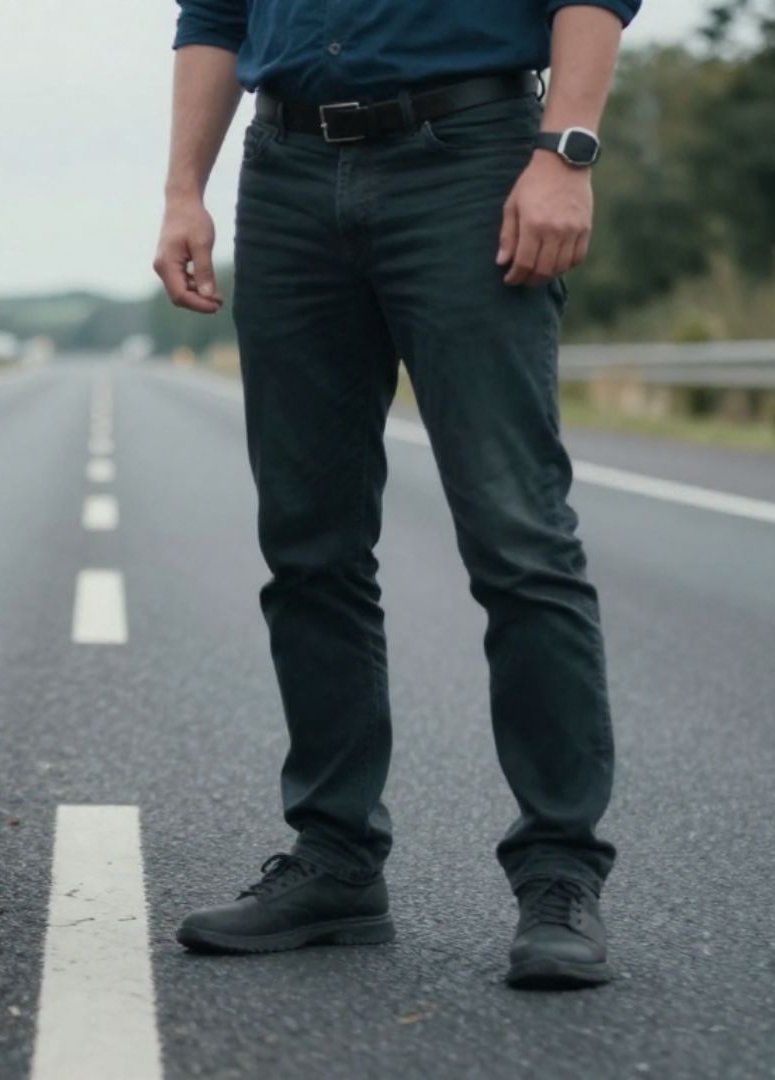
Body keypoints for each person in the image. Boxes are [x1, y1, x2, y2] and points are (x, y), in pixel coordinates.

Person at [156, 0, 633, 990]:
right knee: (308, 544)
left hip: (467, 159)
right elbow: (213, 15)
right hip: (285, 171)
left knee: (518, 534)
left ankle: (558, 874)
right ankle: (334, 862)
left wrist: (568, 153)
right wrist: (182, 194)